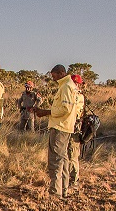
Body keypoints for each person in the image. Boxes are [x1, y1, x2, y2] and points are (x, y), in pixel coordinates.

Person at [33, 65, 84, 198]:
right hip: (65, 127)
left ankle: (56, 192)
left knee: (56, 161)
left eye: (54, 75)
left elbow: (65, 108)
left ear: (61, 73)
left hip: (60, 128)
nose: (53, 78)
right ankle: (64, 190)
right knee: (64, 160)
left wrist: (46, 112)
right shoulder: (68, 85)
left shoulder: (66, 86)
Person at [67, 74, 87, 193]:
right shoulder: (77, 96)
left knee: (72, 156)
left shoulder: (77, 97)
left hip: (74, 129)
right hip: (71, 128)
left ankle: (74, 181)